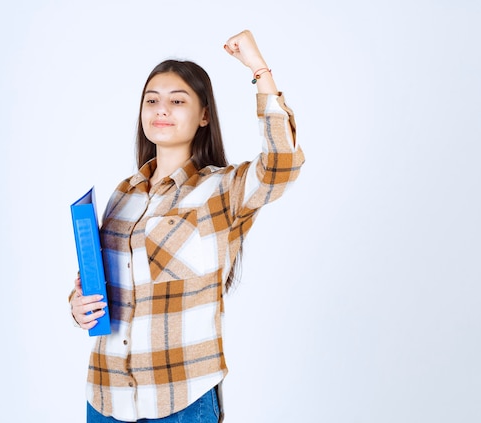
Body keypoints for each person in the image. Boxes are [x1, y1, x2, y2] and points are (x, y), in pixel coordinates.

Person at [69, 30, 305, 423]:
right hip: (106, 398)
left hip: (182, 399)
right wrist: (78, 306)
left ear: (204, 115)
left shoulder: (222, 190)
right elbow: (106, 287)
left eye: (177, 101)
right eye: (152, 100)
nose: (162, 110)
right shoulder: (122, 197)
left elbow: (282, 163)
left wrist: (258, 68)